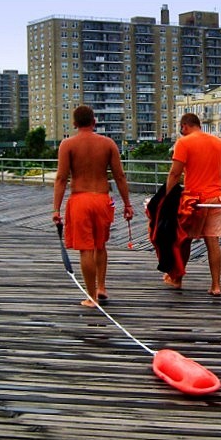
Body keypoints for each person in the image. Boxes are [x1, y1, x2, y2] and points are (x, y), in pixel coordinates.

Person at [53, 105, 134, 307]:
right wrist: (127, 204)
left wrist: (56, 209)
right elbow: (120, 176)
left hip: (80, 199)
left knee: (85, 250)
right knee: (100, 245)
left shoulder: (67, 144)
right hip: (102, 199)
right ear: (94, 122)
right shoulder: (108, 143)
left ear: (74, 123)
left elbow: (61, 178)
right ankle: (101, 287)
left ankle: (91, 297)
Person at [164, 112, 221, 296]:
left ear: (185, 126)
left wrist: (166, 197)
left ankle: (177, 279)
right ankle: (216, 285)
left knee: (183, 239)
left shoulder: (184, 143)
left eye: (181, 129)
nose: (181, 132)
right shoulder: (219, 143)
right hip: (215, 198)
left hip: (193, 201)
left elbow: (174, 173)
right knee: (213, 240)